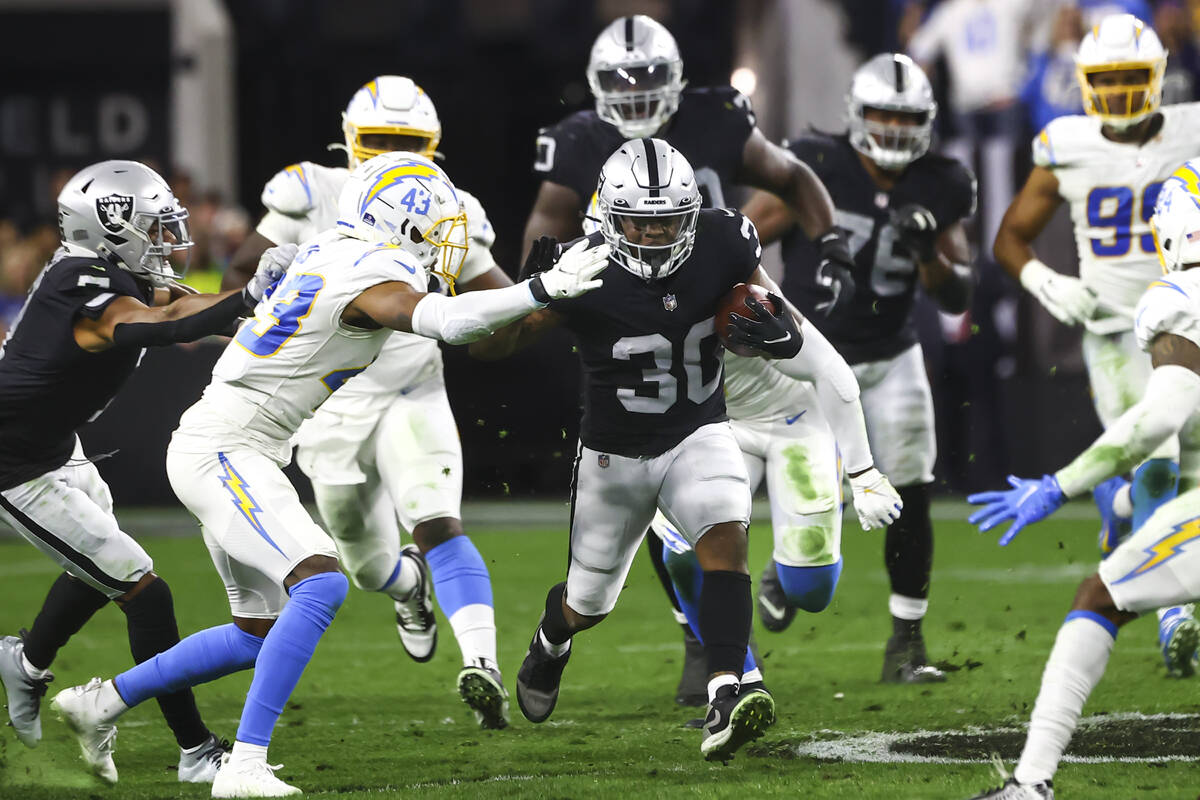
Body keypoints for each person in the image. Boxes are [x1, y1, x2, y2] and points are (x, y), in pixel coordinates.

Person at [50, 152, 609, 799]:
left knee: (256, 632)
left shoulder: (329, 247)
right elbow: (448, 323)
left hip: (234, 445)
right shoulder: (375, 268)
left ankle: (102, 703)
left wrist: (524, 300)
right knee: (320, 583)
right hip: (226, 451)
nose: (448, 241)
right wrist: (540, 291)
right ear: (403, 220)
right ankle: (244, 766)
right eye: (438, 223)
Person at [523, 13, 855, 703]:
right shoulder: (580, 142)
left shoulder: (721, 176)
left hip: (716, 325)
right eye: (621, 80)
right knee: (598, 585)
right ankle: (648, 638)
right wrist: (523, 293)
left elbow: (790, 180)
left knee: (712, 510)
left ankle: (726, 671)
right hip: (624, 341)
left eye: (648, 78)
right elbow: (541, 242)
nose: (636, 93)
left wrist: (829, 249)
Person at [498, 137, 819, 762]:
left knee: (725, 537)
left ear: (691, 215)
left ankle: (726, 691)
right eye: (637, 222)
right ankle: (552, 636)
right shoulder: (583, 266)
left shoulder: (725, 243)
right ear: (610, 216)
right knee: (587, 604)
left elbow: (772, 312)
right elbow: (496, 347)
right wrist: (530, 291)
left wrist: (776, 328)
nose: (650, 235)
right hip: (614, 456)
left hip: (697, 430)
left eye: (666, 220)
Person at [224, 76, 513, 728]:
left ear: (432, 148)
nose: (388, 154)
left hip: (412, 384)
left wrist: (536, 301)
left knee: (437, 518)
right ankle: (408, 589)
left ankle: (482, 665)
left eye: (404, 144)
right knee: (366, 564)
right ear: (350, 141)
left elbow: (494, 305)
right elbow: (243, 275)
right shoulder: (312, 190)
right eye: (378, 141)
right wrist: (268, 288)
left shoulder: (447, 204)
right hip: (328, 403)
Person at [0, 159, 290, 784]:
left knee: (98, 565)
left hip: (55, 445)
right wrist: (245, 295)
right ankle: (195, 749)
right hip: (13, 462)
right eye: (155, 227)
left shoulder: (107, 270)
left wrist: (285, 306)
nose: (167, 240)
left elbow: (190, 306)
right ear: (112, 225)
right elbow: (159, 324)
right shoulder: (83, 280)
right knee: (141, 587)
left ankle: (24, 660)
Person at [963, 162, 1200, 799]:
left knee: (1097, 596)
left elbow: (1155, 422)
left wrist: (1059, 485)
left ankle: (1030, 785)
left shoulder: (1179, 302)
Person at [742, 53, 976, 683]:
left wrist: (928, 250)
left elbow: (957, 294)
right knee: (816, 495)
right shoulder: (816, 163)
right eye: (882, 115)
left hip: (892, 355)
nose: (895, 131)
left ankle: (906, 641)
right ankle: (785, 571)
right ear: (856, 113)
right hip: (809, 360)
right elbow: (741, 241)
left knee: (912, 490)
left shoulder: (942, 180)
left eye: (907, 119)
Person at [992, 13, 1200, 674]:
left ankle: (1116, 507)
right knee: (1158, 455)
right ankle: (1174, 613)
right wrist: (1048, 284)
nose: (1115, 94)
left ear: (1158, 79)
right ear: (1084, 83)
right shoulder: (1067, 143)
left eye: (1130, 80)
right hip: (1113, 330)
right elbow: (1009, 238)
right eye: (1104, 81)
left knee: (1180, 469)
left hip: (1185, 320)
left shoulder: (1193, 128)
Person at [648, 335, 906, 691]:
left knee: (810, 591)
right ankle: (738, 682)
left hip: (793, 419)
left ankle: (787, 569)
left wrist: (863, 473)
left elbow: (829, 366)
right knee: (681, 552)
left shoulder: (733, 284)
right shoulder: (620, 296)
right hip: (716, 428)